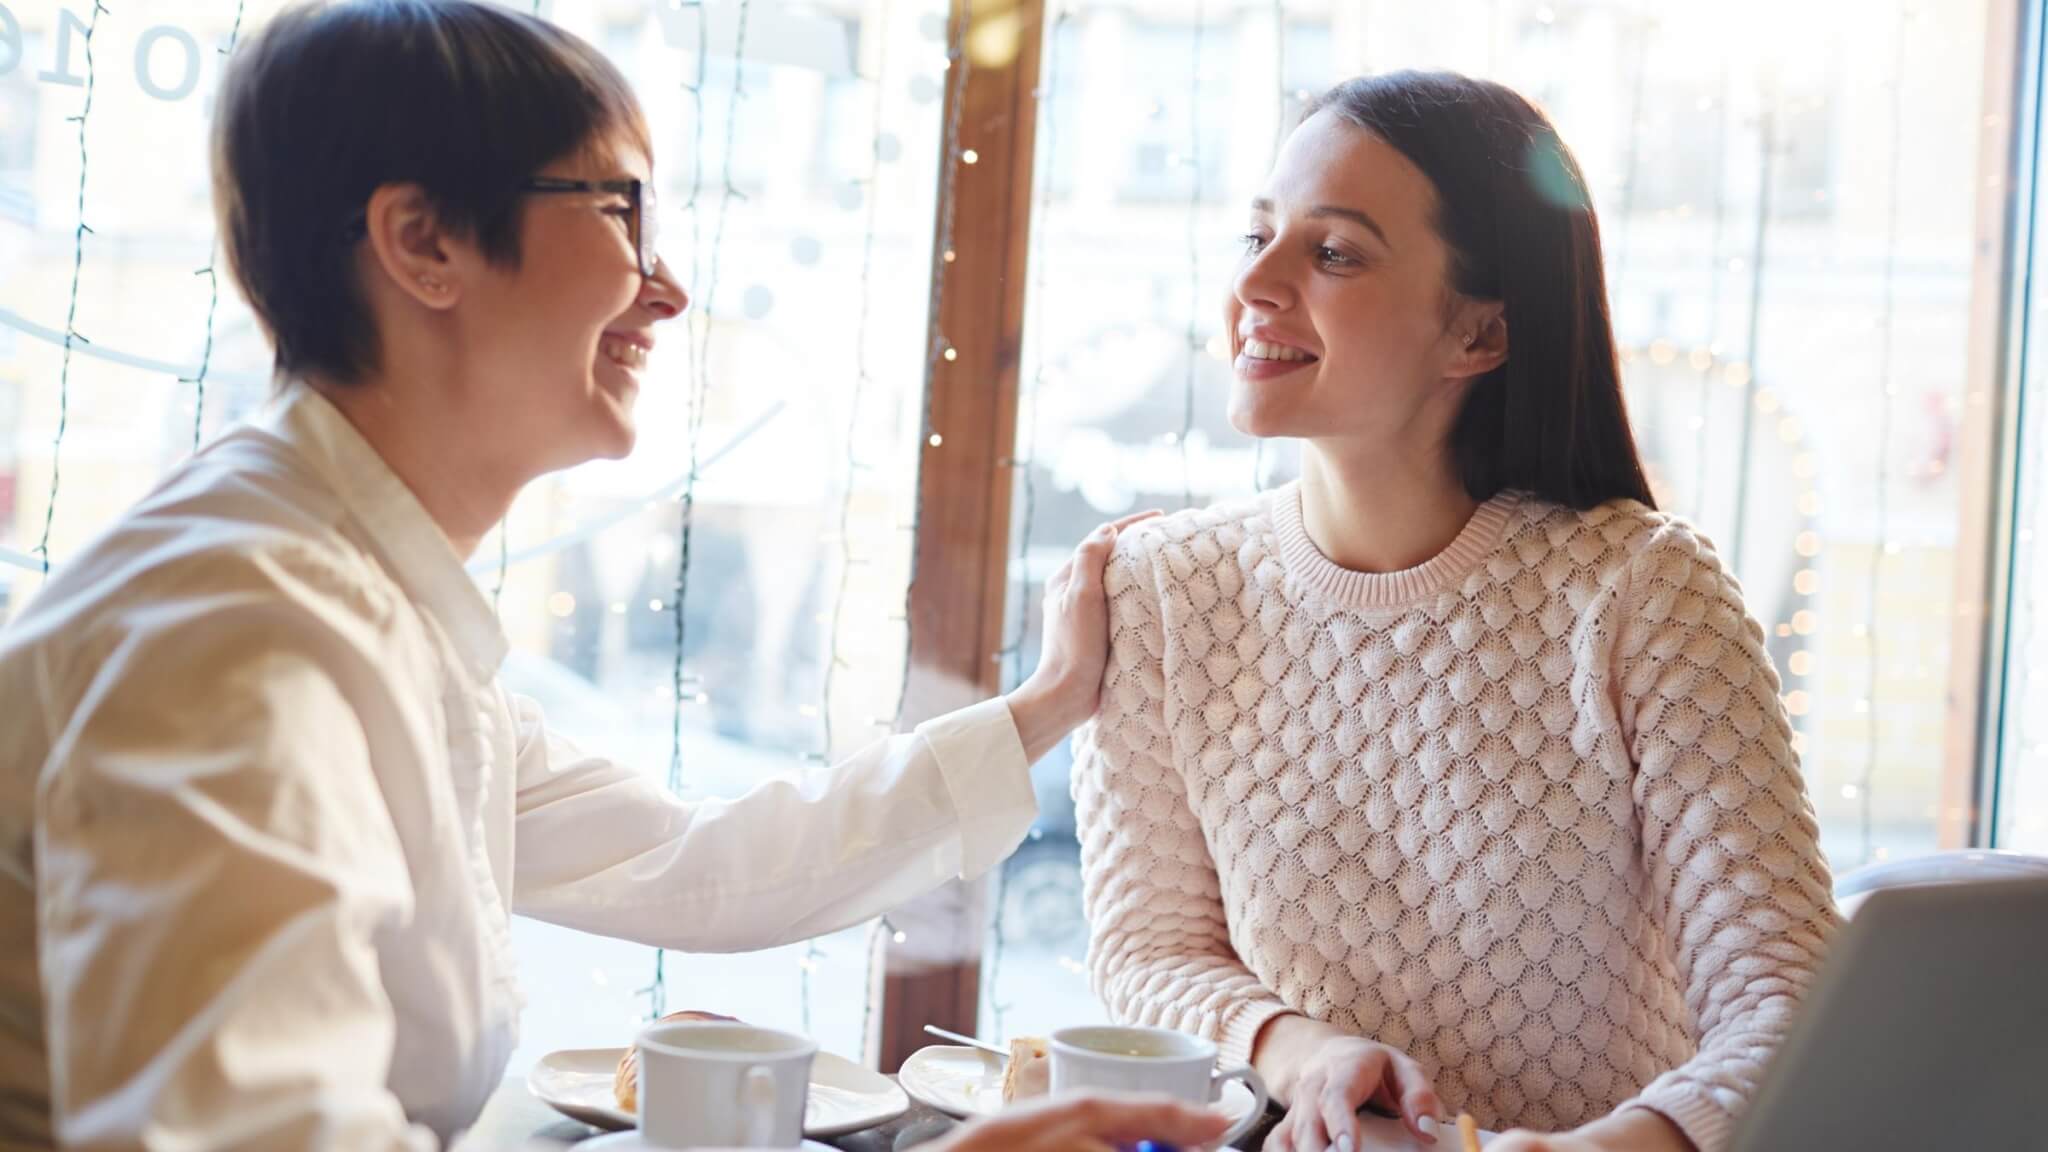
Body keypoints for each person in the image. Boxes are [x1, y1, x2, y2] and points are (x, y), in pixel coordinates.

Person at [0, 2, 1159, 1147]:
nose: (665, 290)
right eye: (619, 210)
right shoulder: (243, 632)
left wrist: (1050, 702)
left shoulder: (361, 602)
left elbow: (695, 861)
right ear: (422, 242)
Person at [1071, 72, 1842, 1152]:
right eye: (1256, 234)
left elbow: (1788, 1007)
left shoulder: (1643, 595)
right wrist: (1302, 1053)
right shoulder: (1158, 586)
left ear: (1477, 335)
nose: (1256, 280)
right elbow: (1148, 951)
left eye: (1330, 252)